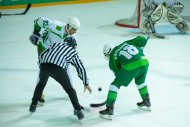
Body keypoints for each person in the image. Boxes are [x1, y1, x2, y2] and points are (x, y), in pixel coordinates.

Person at [29, 42, 92, 120]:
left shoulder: (56, 44)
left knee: (40, 85)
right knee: (70, 90)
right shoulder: (72, 51)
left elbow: (43, 53)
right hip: (58, 68)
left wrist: (42, 66)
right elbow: (80, 67)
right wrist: (86, 83)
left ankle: (33, 105)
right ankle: (78, 111)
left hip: (44, 65)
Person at [29, 16, 80, 105]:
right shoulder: (55, 26)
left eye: (76, 29)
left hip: (56, 51)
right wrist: (36, 32)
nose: (75, 32)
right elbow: (39, 21)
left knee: (65, 66)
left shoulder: (73, 38)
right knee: (44, 70)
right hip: (44, 47)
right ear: (68, 26)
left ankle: (70, 88)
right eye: (74, 29)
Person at [99, 36, 151, 120]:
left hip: (132, 65)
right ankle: (146, 101)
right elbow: (142, 39)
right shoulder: (124, 43)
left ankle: (109, 109)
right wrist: (140, 49)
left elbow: (118, 74)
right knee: (140, 82)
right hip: (144, 61)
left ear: (107, 52)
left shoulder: (112, 57)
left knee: (114, 85)